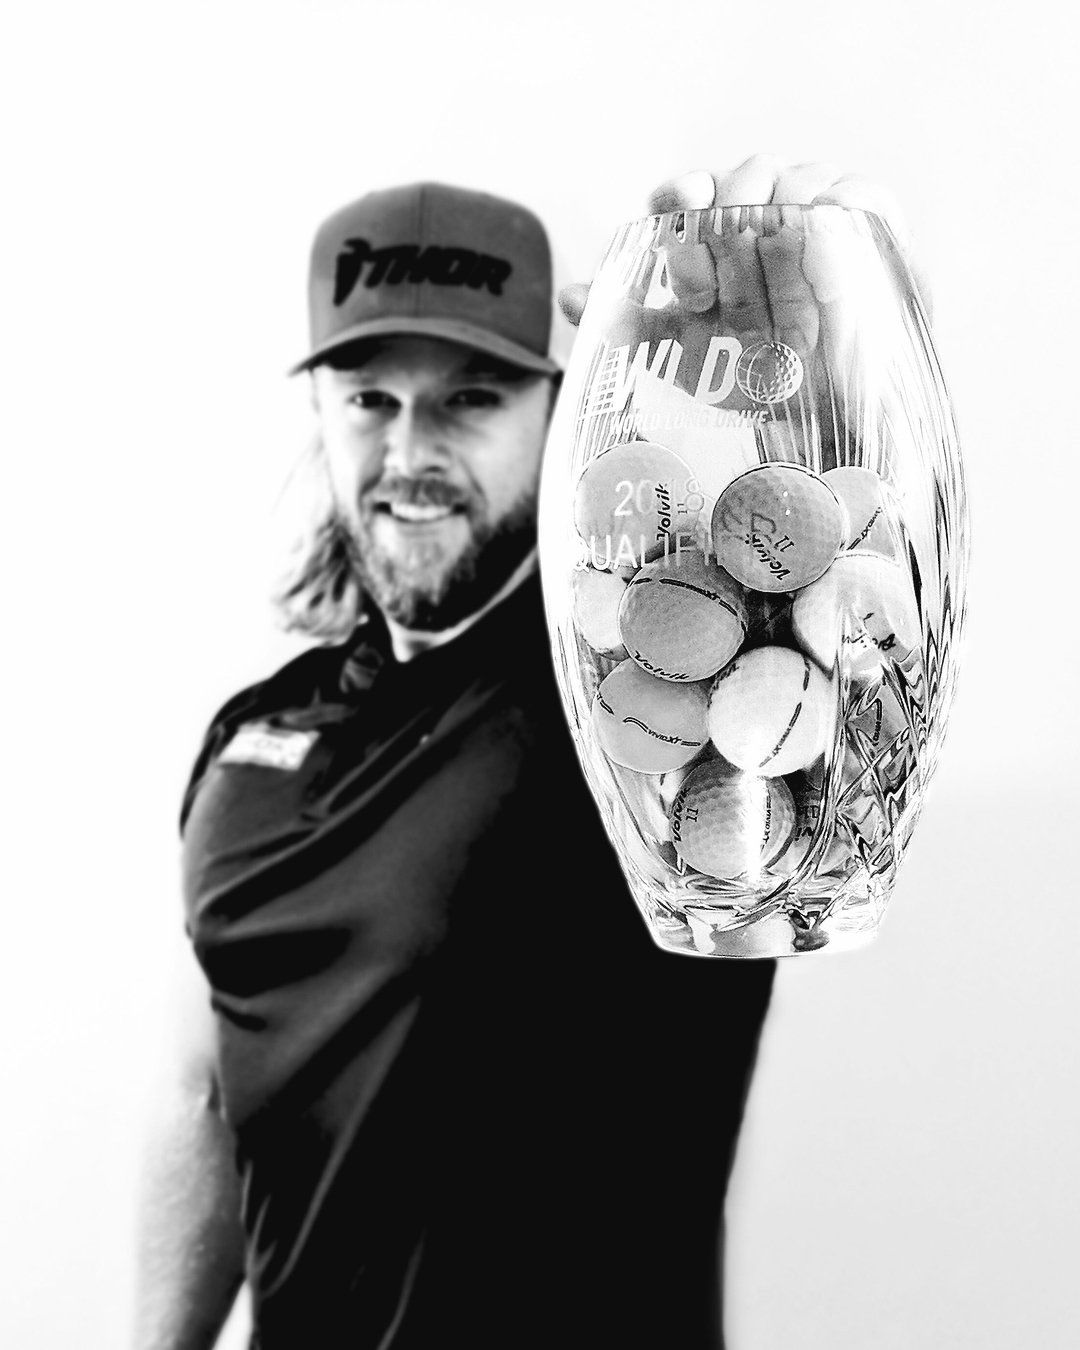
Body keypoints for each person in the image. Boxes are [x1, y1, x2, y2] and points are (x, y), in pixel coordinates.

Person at [134, 159, 924, 1350]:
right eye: (370, 398)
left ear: (560, 409)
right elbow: (203, 1091)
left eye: (470, 397)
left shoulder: (636, 709)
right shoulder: (248, 739)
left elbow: (830, 654)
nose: (411, 451)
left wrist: (801, 386)